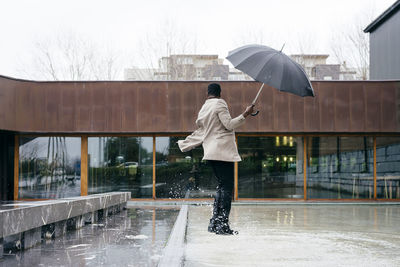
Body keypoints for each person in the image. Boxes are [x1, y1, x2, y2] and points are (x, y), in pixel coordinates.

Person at [178, 83, 254, 235]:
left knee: (221, 187)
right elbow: (229, 125)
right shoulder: (220, 103)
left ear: (208, 93)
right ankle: (222, 225)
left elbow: (202, 129)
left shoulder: (204, 108)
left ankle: (215, 223)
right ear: (220, 93)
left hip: (210, 152)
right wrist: (245, 114)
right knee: (227, 188)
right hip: (222, 153)